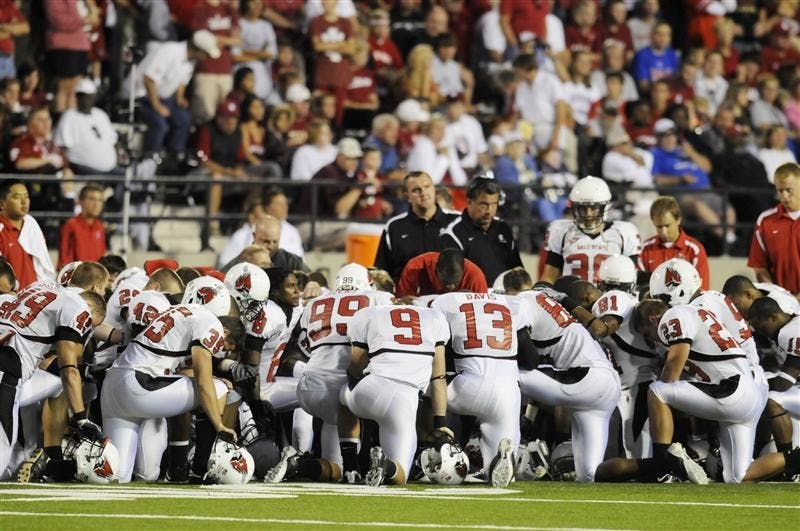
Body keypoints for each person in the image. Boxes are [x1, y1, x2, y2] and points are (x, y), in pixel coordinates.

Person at [101, 277, 237, 483]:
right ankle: (201, 470)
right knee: (217, 388)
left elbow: (173, 369)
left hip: (115, 386)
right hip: (140, 386)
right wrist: (219, 425)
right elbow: (203, 382)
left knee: (119, 477)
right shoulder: (210, 322)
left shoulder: (174, 312)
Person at [295, 264, 394, 482]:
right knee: (367, 388)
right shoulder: (379, 298)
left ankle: (299, 464)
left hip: (309, 384)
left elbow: (298, 345)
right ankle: (364, 463)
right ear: (367, 284)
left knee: (333, 469)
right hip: (345, 388)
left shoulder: (314, 303)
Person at [431, 290, 537, 487]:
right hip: (507, 392)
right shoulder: (514, 304)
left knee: (419, 385)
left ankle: (441, 449)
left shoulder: (446, 301)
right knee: (497, 475)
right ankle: (501, 458)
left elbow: (440, 355)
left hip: (467, 388)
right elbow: (531, 359)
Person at [0, 282, 105, 479]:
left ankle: (47, 457)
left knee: (52, 385)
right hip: (6, 373)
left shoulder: (41, 288)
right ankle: (50, 454)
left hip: (11, 372)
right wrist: (81, 418)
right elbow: (69, 371)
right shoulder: (78, 307)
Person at [339, 303, 451, 486]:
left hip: (372, 387)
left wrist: (355, 380)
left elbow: (356, 364)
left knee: (343, 395)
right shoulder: (435, 318)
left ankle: (350, 467)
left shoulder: (370, 313)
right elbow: (438, 377)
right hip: (406, 401)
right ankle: (386, 465)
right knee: (400, 476)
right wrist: (440, 423)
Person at [516, 288, 621, 482]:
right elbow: (541, 378)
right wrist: (529, 419)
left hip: (584, 378)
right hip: (606, 386)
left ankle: (501, 452)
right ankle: (662, 464)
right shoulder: (548, 309)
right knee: (590, 474)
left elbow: (531, 365)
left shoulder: (523, 301)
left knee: (505, 375)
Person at [124, 30, 221, 155]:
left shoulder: (191, 60)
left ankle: (174, 155)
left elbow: (182, 81)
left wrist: (180, 98)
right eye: (206, 54)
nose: (207, 58)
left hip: (162, 98)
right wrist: (157, 105)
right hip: (141, 96)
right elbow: (149, 79)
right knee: (160, 125)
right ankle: (151, 157)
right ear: (198, 50)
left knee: (184, 119)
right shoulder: (169, 51)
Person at [539, 176, 641, 286]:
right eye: (583, 208)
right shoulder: (561, 231)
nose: (588, 214)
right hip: (568, 299)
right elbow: (549, 276)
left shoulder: (623, 233)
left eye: (594, 208)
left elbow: (632, 278)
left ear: (604, 207)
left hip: (608, 299)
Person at [373, 171, 459, 281]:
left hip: (450, 296)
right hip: (408, 296)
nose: (423, 192)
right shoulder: (394, 227)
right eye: (416, 190)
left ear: (434, 188)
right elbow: (381, 273)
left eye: (427, 186)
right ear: (407, 196)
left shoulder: (457, 221)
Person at [442, 177, 522, 285]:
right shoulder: (453, 234)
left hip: (506, 298)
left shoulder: (503, 228)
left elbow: (516, 268)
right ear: (469, 202)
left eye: (494, 204)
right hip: (473, 298)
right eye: (483, 205)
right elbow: (453, 282)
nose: (489, 211)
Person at [748, 162, 800, 297]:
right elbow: (759, 267)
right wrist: (777, 297)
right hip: (780, 306)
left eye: (789, 190)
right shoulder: (765, 221)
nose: (784, 196)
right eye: (780, 190)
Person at [639, 196, 710, 290]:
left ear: (678, 220)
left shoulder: (694, 250)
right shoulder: (644, 249)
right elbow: (640, 288)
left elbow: (702, 289)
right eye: (659, 227)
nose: (664, 231)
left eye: (667, 225)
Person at [53, 78, 119, 175]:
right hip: (83, 169)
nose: (85, 100)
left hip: (110, 169)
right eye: (82, 96)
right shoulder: (69, 116)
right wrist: (66, 170)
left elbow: (112, 141)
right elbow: (62, 147)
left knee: (127, 177)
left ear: (94, 97)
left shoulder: (101, 115)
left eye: (89, 97)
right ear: (77, 97)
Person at [0, 179, 55, 289]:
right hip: (9, 302)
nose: (24, 202)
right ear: (2, 204)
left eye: (26, 196)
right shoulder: (1, 230)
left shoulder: (32, 224)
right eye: (17, 197)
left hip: (35, 298)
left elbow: (43, 266)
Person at [396, 249, 487, 299]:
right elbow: (404, 304)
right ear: (436, 269)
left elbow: (482, 314)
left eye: (455, 282)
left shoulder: (476, 277)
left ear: (463, 272)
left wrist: (472, 301)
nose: (451, 287)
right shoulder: (415, 267)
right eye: (446, 282)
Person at [58, 184, 107, 268]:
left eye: (100, 200)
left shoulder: (100, 226)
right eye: (92, 199)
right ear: (81, 201)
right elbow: (63, 259)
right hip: (77, 278)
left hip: (97, 278)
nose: (96, 204)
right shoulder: (70, 225)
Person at [632, 22, 679, 94]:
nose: (663, 37)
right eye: (659, 34)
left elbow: (677, 81)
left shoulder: (672, 55)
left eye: (667, 34)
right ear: (651, 36)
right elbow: (643, 85)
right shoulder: (642, 55)